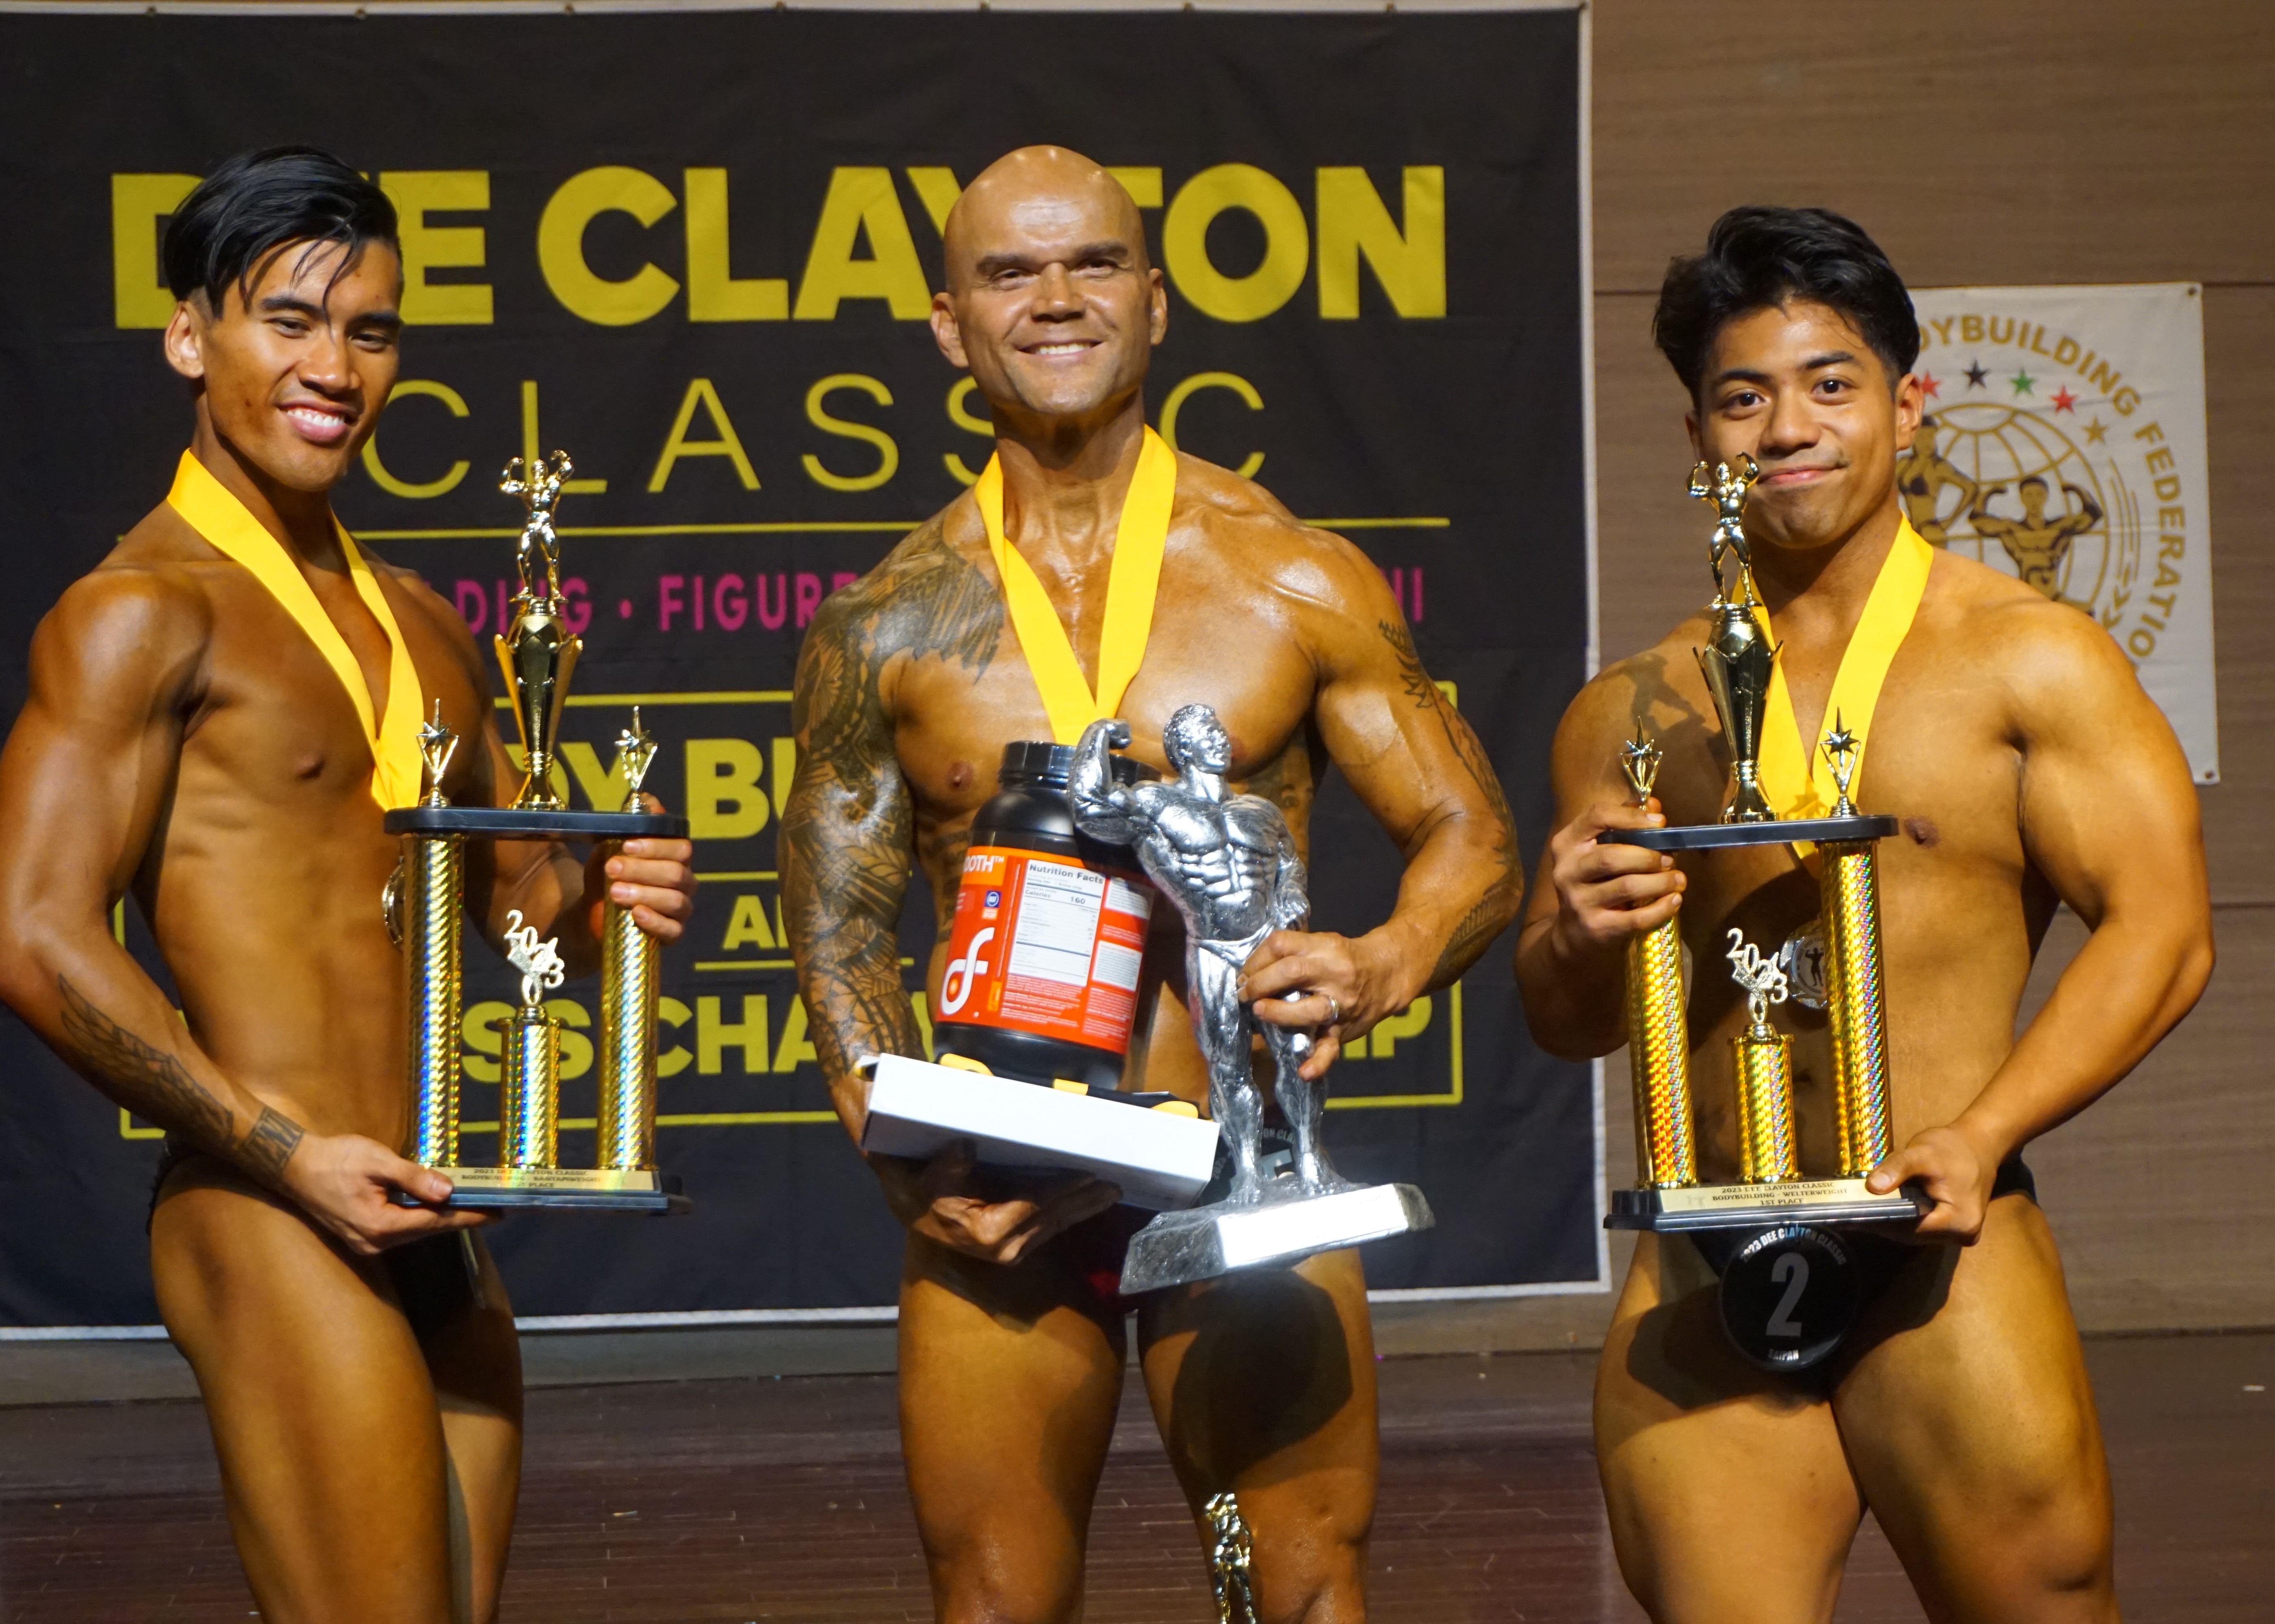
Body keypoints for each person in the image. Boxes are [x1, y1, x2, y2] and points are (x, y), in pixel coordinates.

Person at [781, 145, 1519, 1622]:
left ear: (1156, 300)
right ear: (948, 322)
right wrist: (899, 1155)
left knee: (1301, 1595)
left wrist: (1387, 959)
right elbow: (841, 919)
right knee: (992, 1605)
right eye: (1010, 271)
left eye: (1093, 262)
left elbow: (1475, 838)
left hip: (1241, 1161)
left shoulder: (1289, 577)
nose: (1055, 298)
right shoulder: (883, 620)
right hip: (1000, 1185)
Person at [0, 147, 696, 1623]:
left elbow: (514, 919)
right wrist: (283, 1146)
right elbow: (34, 934)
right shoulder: (142, 610)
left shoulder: (431, 627)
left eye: (369, 329)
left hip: (428, 1214)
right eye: (290, 319)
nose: (334, 366)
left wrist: (602, 878)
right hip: (272, 1202)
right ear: (194, 336)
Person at [1515, 205, 2211, 1623]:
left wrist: (1989, 1132)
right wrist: (1574, 930)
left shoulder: (2029, 661)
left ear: (1903, 406)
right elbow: (1566, 1017)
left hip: (1939, 1243)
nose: (1788, 427)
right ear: (1698, 437)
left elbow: (2163, 929)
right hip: (1706, 1267)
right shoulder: (1629, 713)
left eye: (1830, 384)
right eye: (1742, 396)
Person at [1970, 473, 2104, 598]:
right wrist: (1988, 493)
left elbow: (2093, 515)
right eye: (2029, 495)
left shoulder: (2060, 527)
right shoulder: (2011, 529)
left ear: (2047, 496)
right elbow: (1978, 521)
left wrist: (2078, 489)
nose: (2034, 500)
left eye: (2039, 494)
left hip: (2053, 596)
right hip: (2024, 597)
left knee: (2085, 613)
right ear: (2022, 498)